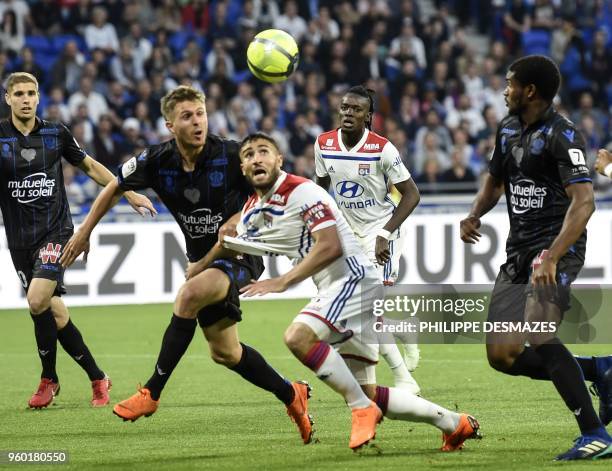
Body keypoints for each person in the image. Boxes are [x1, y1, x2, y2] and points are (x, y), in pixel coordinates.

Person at [187, 133, 481, 451]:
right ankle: (454, 423)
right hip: (340, 289)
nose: (256, 158)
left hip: (355, 281)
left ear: (279, 160)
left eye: (264, 151)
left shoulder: (301, 191)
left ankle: (360, 407)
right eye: (248, 154)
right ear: (242, 166)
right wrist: (200, 265)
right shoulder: (255, 207)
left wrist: (283, 281)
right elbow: (230, 241)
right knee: (368, 391)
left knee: (298, 337)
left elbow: (330, 246)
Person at [59, 86, 313, 445]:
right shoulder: (157, 160)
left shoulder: (230, 155)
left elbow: (271, 188)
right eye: (187, 116)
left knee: (188, 296)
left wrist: (247, 214)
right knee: (225, 352)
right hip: (202, 260)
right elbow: (113, 186)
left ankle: (151, 392)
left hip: (240, 255)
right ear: (169, 125)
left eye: (201, 113)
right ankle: (291, 394)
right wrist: (85, 231)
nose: (197, 122)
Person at [459, 55, 612, 461]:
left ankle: (595, 435)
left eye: (509, 83)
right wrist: (475, 213)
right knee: (503, 355)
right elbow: (495, 179)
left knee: (539, 329)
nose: (504, 89)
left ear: (529, 90)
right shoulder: (507, 128)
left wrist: (552, 258)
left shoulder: (564, 135)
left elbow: (584, 204)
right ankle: (600, 370)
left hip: (556, 247)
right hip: (518, 251)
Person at [0, 72, 154, 409]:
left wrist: (127, 193)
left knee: (37, 300)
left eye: (32, 93)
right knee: (54, 313)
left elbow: (90, 167)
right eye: (19, 94)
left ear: (39, 97)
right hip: (19, 240)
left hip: (56, 233)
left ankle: (49, 380)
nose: (26, 99)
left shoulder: (56, 133)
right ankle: (98, 377)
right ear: (8, 98)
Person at [314, 85, 421, 393]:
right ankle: (403, 331)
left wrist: (386, 233)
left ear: (368, 116)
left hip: (381, 231)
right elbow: (320, 189)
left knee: (365, 310)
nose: (348, 113)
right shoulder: (323, 144)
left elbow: (412, 194)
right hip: (348, 233)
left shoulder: (382, 149)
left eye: (356, 109)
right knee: (359, 309)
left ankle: (404, 378)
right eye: (345, 108)